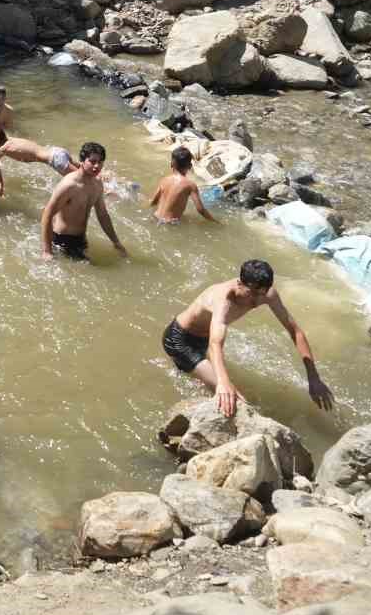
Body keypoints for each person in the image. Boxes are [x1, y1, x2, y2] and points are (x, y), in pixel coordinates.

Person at [163, 259, 335, 416]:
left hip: (203, 341)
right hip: (180, 340)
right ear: (239, 283)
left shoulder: (267, 294)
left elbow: (295, 331)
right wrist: (223, 382)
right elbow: (216, 343)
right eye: (251, 293)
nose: (255, 299)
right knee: (235, 399)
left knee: (223, 388)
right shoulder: (223, 299)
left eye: (262, 294)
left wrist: (313, 377)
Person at [40, 142, 129, 260]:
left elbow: (102, 215)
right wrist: (47, 251)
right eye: (92, 161)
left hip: (81, 239)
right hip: (61, 240)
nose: (97, 166)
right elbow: (47, 214)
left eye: (100, 162)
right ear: (82, 161)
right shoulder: (69, 185)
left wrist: (116, 242)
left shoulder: (97, 184)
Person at [149, 146, 220, 224]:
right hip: (170, 224)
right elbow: (201, 210)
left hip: (155, 218)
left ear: (172, 164)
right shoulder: (190, 185)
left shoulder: (164, 180)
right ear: (190, 166)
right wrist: (215, 222)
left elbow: (153, 202)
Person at [0, 136, 79, 176]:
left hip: (55, 159)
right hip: (57, 151)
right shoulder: (12, 139)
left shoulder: (3, 148)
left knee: (84, 180)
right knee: (85, 171)